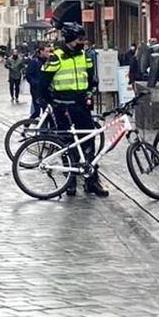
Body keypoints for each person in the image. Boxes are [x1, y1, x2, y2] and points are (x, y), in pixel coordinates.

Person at [39, 19, 108, 198]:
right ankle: (70, 180)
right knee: (67, 144)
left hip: (81, 104)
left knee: (88, 142)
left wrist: (90, 93)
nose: (83, 42)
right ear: (70, 38)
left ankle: (92, 181)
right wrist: (50, 102)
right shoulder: (57, 56)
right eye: (79, 39)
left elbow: (92, 78)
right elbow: (43, 82)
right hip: (62, 105)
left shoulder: (84, 56)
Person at [26, 44, 50, 118]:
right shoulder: (34, 61)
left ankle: (44, 127)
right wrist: (36, 84)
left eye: (49, 51)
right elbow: (29, 75)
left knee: (46, 110)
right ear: (41, 51)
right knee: (37, 111)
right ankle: (27, 124)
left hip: (46, 89)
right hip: (36, 90)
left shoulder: (48, 62)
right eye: (46, 51)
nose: (48, 53)